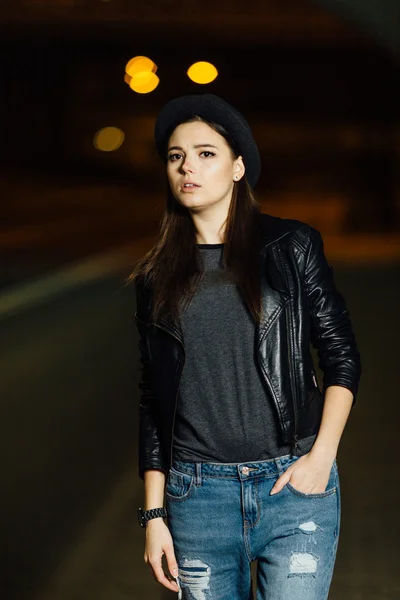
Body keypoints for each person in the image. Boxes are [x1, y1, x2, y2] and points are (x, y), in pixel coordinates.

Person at [128, 93, 362, 599]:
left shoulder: (291, 248)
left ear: (238, 168)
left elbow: (341, 357)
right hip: (197, 497)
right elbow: (153, 399)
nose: (188, 165)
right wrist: (153, 515)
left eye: (206, 152)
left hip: (293, 490)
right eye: (175, 155)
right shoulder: (156, 278)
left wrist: (321, 457)